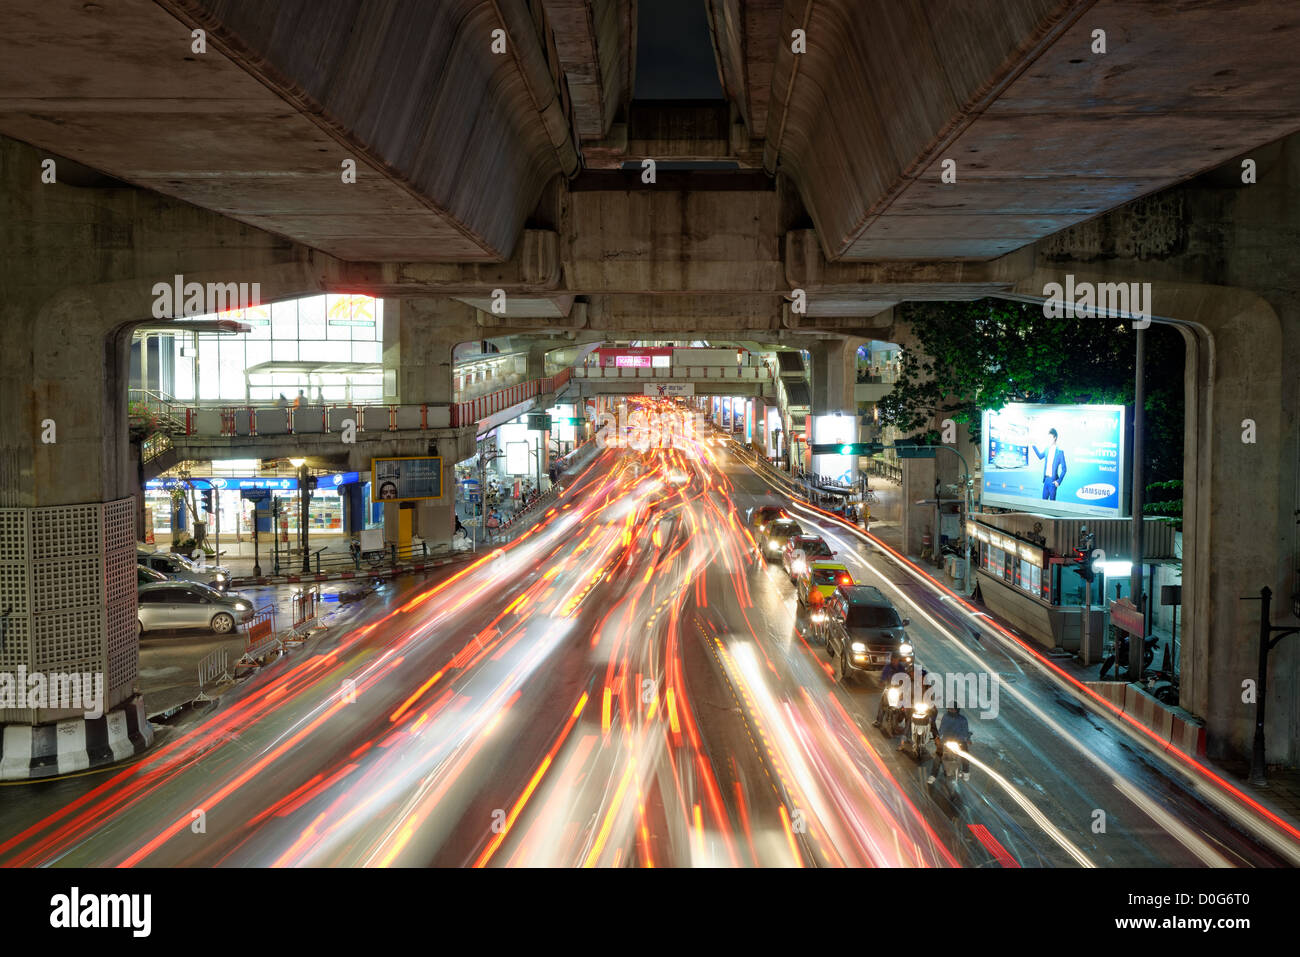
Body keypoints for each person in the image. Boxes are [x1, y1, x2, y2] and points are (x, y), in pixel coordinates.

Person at [929, 703, 973, 783]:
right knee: (938, 756)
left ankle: (966, 771)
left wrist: (967, 739)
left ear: (956, 710)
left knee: (965, 754)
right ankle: (933, 775)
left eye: (952, 709)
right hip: (946, 740)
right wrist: (938, 736)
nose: (950, 710)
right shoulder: (945, 717)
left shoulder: (963, 719)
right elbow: (942, 729)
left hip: (959, 741)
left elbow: (965, 732)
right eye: (949, 709)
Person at [1031, 427, 1067, 501]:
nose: (1048, 440)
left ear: (1055, 438)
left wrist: (1059, 481)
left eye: (1050, 438)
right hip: (1046, 480)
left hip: (1053, 481)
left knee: (1052, 505)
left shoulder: (1060, 452)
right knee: (1043, 502)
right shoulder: (1047, 449)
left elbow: (1064, 469)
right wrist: (1033, 446)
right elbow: (1040, 456)